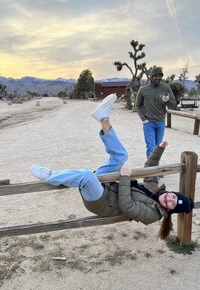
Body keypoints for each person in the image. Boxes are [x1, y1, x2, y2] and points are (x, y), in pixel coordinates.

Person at [31, 94, 194, 240]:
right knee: (121, 156)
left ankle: (51, 176)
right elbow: (150, 165)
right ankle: (104, 118)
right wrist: (160, 147)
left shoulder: (152, 214)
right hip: (107, 187)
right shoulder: (154, 189)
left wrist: (124, 178)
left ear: (170, 210)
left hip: (100, 202)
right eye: (173, 196)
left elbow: (127, 206)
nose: (169, 199)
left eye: (172, 203)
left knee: (87, 176)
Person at [136, 67, 177, 158]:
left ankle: (155, 169)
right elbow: (138, 106)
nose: (157, 78)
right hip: (148, 123)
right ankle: (151, 169)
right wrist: (144, 119)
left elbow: (173, 105)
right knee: (151, 147)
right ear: (151, 76)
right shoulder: (143, 90)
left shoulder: (166, 88)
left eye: (160, 76)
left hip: (161, 122)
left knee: (158, 148)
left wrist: (167, 101)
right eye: (155, 76)